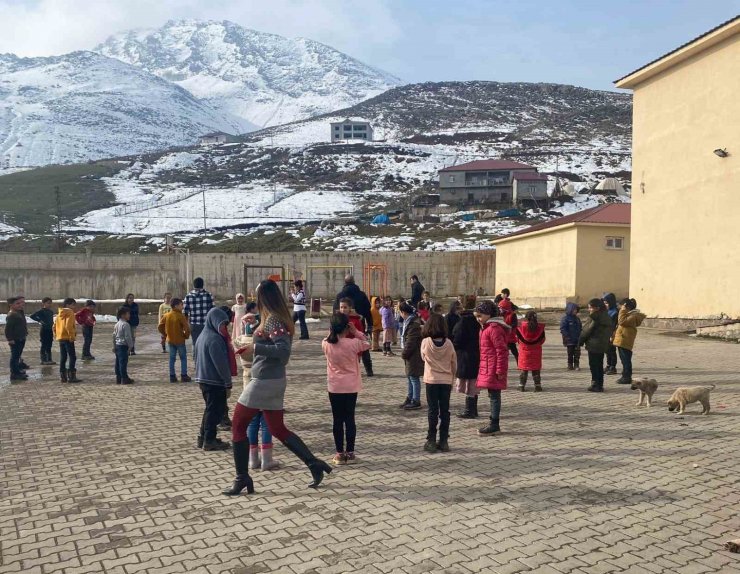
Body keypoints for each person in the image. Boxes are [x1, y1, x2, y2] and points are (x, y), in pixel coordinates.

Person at [224, 279, 332, 496]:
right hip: (272, 379)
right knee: (277, 429)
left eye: (257, 296)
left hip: (264, 381)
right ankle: (314, 464)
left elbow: (282, 352)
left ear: (264, 298)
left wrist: (255, 348)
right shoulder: (273, 318)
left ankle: (242, 478)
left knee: (237, 425)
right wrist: (256, 327)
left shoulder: (273, 320)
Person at [234, 309, 280, 472]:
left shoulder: (240, 341)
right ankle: (266, 459)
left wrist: (246, 324)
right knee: (266, 423)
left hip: (248, 386)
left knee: (252, 422)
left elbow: (237, 340)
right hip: (263, 383)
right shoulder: (258, 346)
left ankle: (252, 460)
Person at [323, 312, 370, 465]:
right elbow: (367, 343)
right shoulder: (353, 343)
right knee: (350, 419)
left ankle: (339, 453)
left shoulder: (326, 344)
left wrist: (332, 331)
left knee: (337, 419)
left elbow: (328, 338)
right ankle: (350, 452)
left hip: (335, 386)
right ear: (346, 327)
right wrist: (355, 331)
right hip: (351, 386)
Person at [195, 307, 234, 452]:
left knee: (209, 409)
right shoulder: (214, 339)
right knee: (214, 411)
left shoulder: (202, 336)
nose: (224, 327)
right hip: (213, 381)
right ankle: (209, 440)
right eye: (223, 324)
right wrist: (227, 382)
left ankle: (203, 436)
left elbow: (195, 357)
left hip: (203, 379)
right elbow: (221, 364)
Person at [420, 313, 456, 453]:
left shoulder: (425, 342)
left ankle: (431, 439)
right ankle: (444, 440)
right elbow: (454, 362)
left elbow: (423, 357)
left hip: (431, 380)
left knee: (432, 410)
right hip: (446, 380)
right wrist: (453, 376)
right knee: (445, 411)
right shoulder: (449, 343)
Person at [475, 301, 509, 436]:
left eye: (480, 315)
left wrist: (500, 370)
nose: (478, 319)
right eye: (477, 316)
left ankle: (494, 424)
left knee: (494, 396)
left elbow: (502, 351)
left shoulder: (494, 329)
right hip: (488, 367)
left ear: (489, 314)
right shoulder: (485, 328)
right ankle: (493, 422)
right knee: (492, 395)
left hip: (494, 368)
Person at [452, 307, 481, 419]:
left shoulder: (463, 322)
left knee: (469, 384)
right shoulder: (478, 322)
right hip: (476, 355)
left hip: (465, 356)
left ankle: (470, 410)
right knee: (473, 383)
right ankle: (473, 409)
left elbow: (457, 339)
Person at [579, 298, 612, 392]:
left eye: (590, 308)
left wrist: (580, 341)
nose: (589, 310)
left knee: (594, 365)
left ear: (597, 308)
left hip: (594, 344)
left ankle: (595, 384)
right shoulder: (606, 316)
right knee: (599, 365)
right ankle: (599, 384)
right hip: (602, 344)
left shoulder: (595, 317)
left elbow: (586, 330)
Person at [613, 298, 646, 385]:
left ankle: (626, 377)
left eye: (621, 306)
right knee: (625, 359)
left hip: (625, 340)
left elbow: (621, 321)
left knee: (626, 360)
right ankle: (625, 375)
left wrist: (622, 310)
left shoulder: (633, 316)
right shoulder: (630, 315)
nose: (620, 308)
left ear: (626, 306)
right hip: (623, 339)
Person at [158, 297, 192, 383]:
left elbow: (160, 326)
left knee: (172, 358)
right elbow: (187, 328)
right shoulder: (181, 316)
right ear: (176, 306)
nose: (183, 306)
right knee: (183, 358)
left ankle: (172, 376)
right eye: (181, 305)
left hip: (170, 340)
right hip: (180, 340)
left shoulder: (167, 315)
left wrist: (165, 334)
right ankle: (184, 375)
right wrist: (186, 336)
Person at [338, 297, 373, 377]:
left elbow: (361, 337)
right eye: (341, 307)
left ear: (350, 308)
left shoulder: (355, 320)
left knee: (353, 371)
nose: (343, 309)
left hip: (354, 350)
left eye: (345, 307)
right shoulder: (337, 319)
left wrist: (359, 352)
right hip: (341, 349)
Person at [399, 301, 423, 410]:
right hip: (409, 354)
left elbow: (411, 341)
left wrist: (404, 353)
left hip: (414, 355)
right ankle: (410, 397)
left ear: (403, 312)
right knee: (409, 376)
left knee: (414, 377)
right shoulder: (408, 322)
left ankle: (416, 400)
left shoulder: (413, 324)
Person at [516, 310, 546, 392]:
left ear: (526, 318)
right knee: (535, 369)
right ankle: (538, 386)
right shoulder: (540, 328)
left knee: (524, 368)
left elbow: (517, 339)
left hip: (524, 351)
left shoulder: (521, 327)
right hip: (536, 351)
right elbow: (542, 340)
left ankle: (521, 385)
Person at [184, 277, 214, 354]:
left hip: (194, 324)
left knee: (195, 343)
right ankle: (205, 361)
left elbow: (185, 313)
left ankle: (196, 362)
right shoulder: (208, 295)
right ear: (202, 285)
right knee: (206, 343)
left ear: (194, 285)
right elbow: (213, 311)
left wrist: (186, 326)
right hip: (206, 324)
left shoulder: (188, 296)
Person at [55, 298, 80, 383]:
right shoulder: (70, 312)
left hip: (61, 337)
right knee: (72, 356)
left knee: (63, 357)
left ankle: (63, 376)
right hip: (68, 338)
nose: (74, 307)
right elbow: (68, 325)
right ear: (68, 305)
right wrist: (71, 336)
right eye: (73, 305)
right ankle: (71, 376)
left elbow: (54, 326)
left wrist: (57, 335)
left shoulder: (59, 313)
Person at [5, 296, 28, 381]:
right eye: (17, 303)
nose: (20, 305)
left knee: (18, 356)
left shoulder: (19, 312)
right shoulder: (11, 315)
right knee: (14, 357)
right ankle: (14, 373)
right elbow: (8, 329)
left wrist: (25, 333)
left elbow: (23, 324)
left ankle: (18, 370)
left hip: (21, 337)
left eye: (21, 303)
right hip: (15, 339)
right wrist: (10, 339)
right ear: (11, 305)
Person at [30, 297, 56, 366]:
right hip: (44, 330)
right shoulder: (41, 311)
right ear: (43, 303)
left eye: (50, 303)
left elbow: (51, 320)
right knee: (44, 344)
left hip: (49, 330)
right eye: (48, 303)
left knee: (49, 345)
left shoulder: (50, 312)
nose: (49, 305)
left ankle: (49, 359)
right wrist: (39, 320)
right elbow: (32, 316)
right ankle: (43, 360)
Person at [113, 306, 135, 385]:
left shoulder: (117, 324)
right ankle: (124, 378)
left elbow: (114, 336)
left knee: (118, 363)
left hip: (118, 345)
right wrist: (130, 346)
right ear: (123, 315)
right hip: (123, 345)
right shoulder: (125, 324)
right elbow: (127, 337)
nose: (129, 315)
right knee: (123, 363)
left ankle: (118, 378)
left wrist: (114, 346)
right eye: (128, 314)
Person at [560, 303, 582, 371]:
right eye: (574, 309)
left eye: (576, 310)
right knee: (570, 353)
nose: (575, 311)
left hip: (577, 339)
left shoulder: (577, 319)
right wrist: (566, 336)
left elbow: (580, 327)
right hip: (569, 339)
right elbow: (563, 328)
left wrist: (581, 335)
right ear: (570, 310)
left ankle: (576, 364)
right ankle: (570, 365)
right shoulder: (565, 319)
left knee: (577, 353)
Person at [603, 293, 619, 375]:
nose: (605, 305)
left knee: (612, 351)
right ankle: (608, 365)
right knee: (607, 350)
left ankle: (613, 367)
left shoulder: (615, 312)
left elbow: (613, 326)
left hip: (611, 335)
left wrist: (611, 335)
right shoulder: (607, 311)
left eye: (606, 303)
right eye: (604, 303)